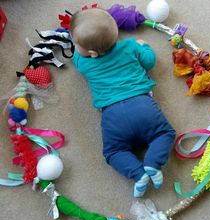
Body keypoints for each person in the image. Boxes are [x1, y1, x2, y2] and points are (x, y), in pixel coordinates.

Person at [70, 8, 176, 197]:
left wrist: (80, 50)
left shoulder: (83, 62)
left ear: (92, 53)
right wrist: (144, 46)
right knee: (165, 133)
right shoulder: (130, 46)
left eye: (75, 43)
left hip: (112, 115)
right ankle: (152, 162)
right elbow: (149, 62)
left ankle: (138, 173)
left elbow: (76, 58)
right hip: (143, 107)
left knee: (113, 152)